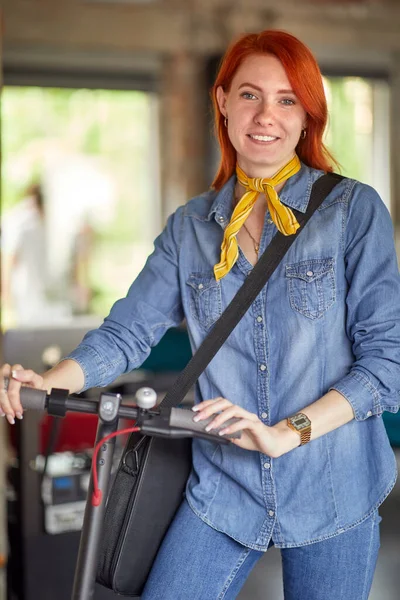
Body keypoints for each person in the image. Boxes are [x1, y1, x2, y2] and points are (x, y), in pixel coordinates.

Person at [1, 29, 400, 600]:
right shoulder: (190, 228)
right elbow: (126, 333)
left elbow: (389, 363)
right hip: (225, 488)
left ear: (308, 115)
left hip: (332, 482)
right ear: (222, 102)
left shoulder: (352, 211)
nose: (267, 115)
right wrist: (49, 380)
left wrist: (289, 433)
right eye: (250, 95)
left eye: (287, 99)